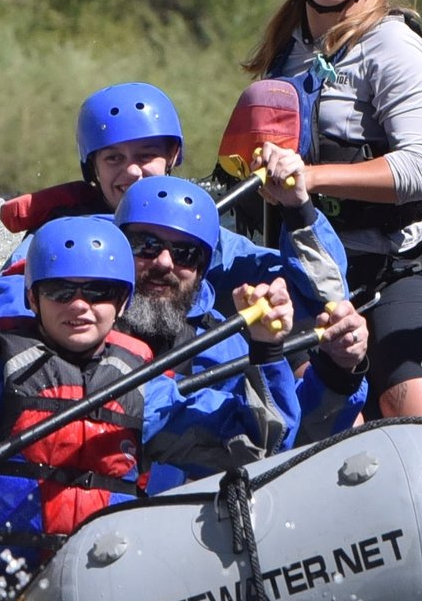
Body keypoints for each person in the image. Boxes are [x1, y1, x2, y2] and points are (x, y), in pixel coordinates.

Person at [0, 217, 291, 601]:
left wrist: (267, 349)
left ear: (124, 302)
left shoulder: (146, 391)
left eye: (98, 292)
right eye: (60, 291)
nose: (79, 306)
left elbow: (255, 444)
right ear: (33, 298)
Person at [0, 81, 355, 432]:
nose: (133, 172)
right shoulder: (60, 250)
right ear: (92, 169)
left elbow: (325, 298)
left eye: (147, 155)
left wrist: (299, 207)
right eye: (114, 159)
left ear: (172, 158)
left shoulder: (209, 239)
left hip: (172, 403)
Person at [245, 0, 422, 420]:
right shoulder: (286, 55)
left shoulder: (396, 48)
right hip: (307, 269)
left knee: (420, 416)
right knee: (308, 416)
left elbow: (421, 172)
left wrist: (310, 179)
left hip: (392, 267)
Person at [111, 174, 370, 446]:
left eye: (184, 253)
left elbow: (287, 438)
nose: (164, 262)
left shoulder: (222, 346)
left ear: (202, 268)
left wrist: (338, 370)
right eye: (146, 245)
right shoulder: (77, 321)